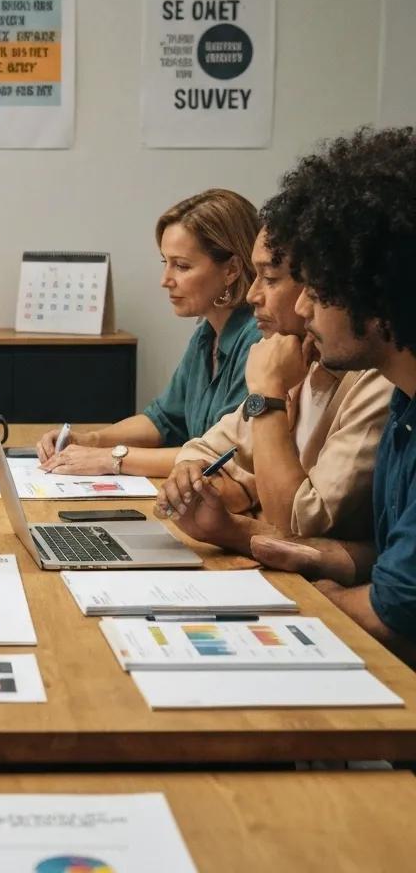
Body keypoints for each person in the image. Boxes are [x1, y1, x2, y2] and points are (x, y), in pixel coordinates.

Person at [159, 128, 416, 663]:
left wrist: (314, 597)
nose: (301, 310)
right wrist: (238, 534)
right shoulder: (404, 405)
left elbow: (392, 612)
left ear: (376, 291)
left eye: (317, 291)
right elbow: (383, 560)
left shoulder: (381, 386)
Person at [156, 224, 391, 541]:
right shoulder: (293, 354)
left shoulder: (375, 378)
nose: (252, 294)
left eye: (269, 278)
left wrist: (267, 394)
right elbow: (204, 447)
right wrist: (193, 472)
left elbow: (299, 524)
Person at [37, 188, 261, 478]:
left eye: (181, 266)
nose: (165, 280)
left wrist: (111, 458)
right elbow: (163, 420)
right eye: (165, 263)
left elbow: (221, 456)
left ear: (231, 269)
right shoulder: (207, 334)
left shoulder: (257, 338)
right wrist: (88, 440)